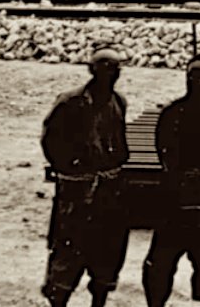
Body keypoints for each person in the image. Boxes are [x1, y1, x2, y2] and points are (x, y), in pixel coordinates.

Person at [143, 53, 200, 306]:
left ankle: (198, 299)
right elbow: (164, 150)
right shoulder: (177, 113)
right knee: (161, 261)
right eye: (196, 75)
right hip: (177, 195)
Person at [41, 48, 131, 307]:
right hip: (76, 191)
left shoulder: (118, 102)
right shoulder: (71, 102)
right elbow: (50, 140)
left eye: (115, 69)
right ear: (92, 70)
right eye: (104, 68)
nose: (110, 74)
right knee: (67, 251)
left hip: (108, 190)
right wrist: (71, 170)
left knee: (107, 251)